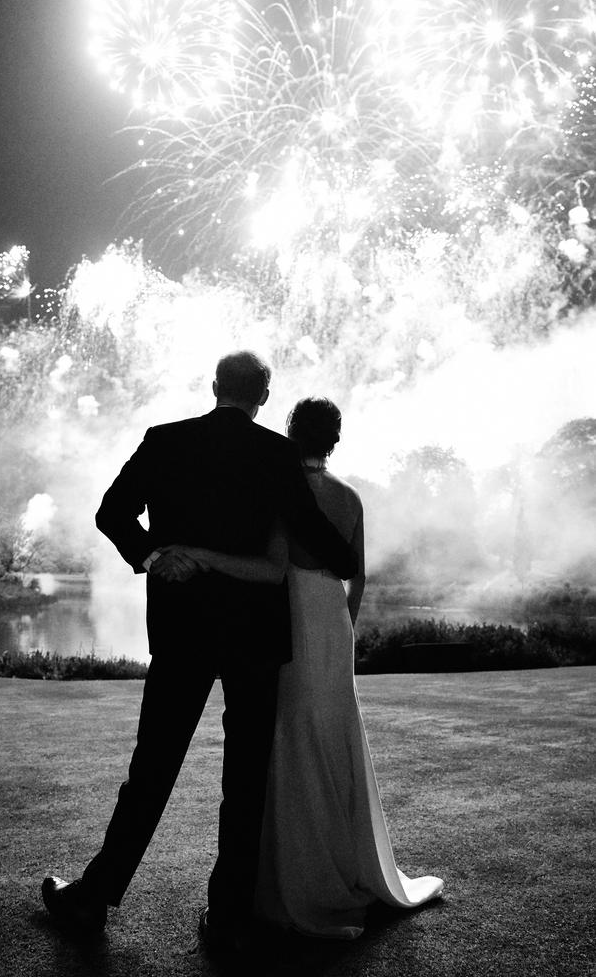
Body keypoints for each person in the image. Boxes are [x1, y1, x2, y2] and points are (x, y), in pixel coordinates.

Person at [41, 352, 357, 950]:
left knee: (151, 771)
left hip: (183, 630)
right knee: (244, 781)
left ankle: (93, 898)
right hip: (256, 638)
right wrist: (343, 558)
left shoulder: (164, 441)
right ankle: (230, 916)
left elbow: (112, 513)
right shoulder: (275, 455)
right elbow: (313, 533)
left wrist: (156, 555)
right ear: (264, 396)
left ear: (214, 387)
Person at [168, 397, 444, 939]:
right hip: (331, 619)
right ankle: (344, 863)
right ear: (334, 440)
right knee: (331, 737)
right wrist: (345, 631)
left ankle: (287, 880)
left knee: (286, 742)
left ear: (291, 432)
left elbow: (271, 565)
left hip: (285, 615)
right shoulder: (350, 497)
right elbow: (358, 577)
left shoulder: (279, 488)